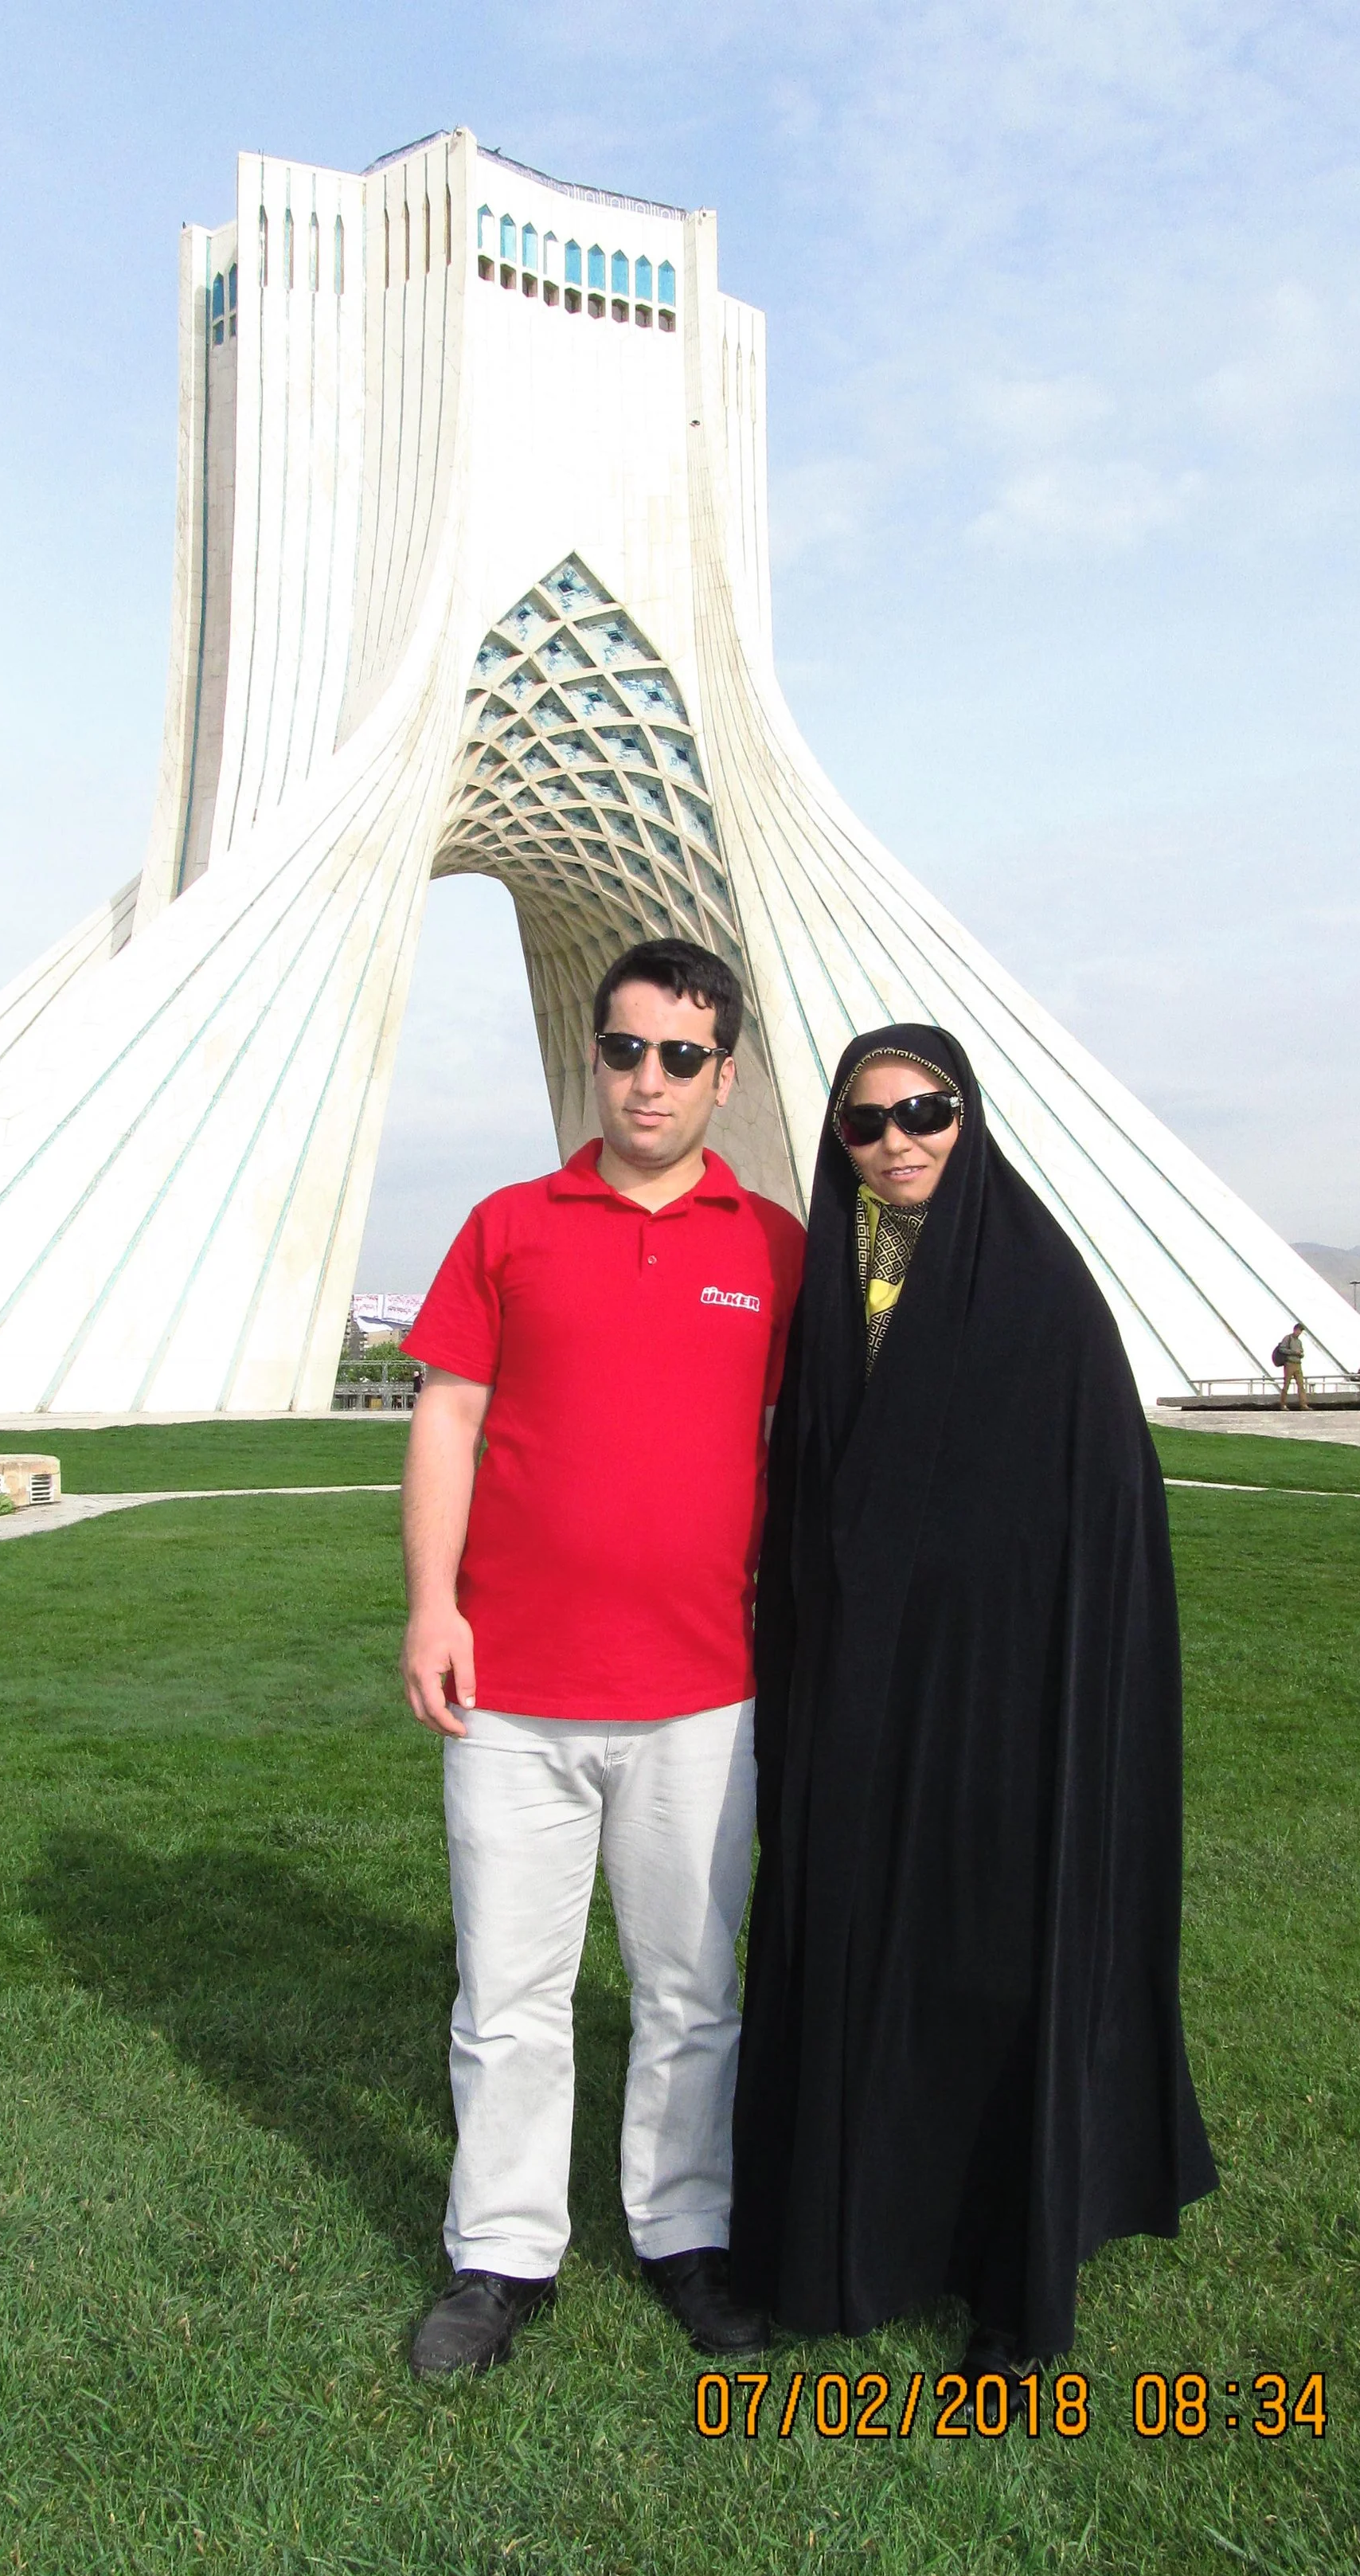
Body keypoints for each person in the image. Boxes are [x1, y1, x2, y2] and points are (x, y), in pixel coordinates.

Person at [731, 1026, 1216, 2378]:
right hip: (852, 1694)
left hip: (999, 1704)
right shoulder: (834, 1281)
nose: (900, 1140)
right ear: (839, 1141)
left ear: (969, 1114)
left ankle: (1008, 2277)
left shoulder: (1042, 1291)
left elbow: (1096, 1515)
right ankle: (843, 2233)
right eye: (868, 1122)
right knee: (847, 1938)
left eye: (926, 1110)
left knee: (989, 1965)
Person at [399, 938, 806, 2380]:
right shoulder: (511, 1223)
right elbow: (448, 1415)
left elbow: (813, 1449)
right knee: (508, 1992)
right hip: (513, 1687)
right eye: (626, 1049)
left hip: (702, 1690)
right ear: (594, 1056)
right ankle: (502, 2252)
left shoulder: (772, 1245)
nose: (650, 1078)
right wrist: (432, 1604)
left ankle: (684, 2230)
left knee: (692, 1989)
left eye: (680, 1056)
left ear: (725, 1074)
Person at [1275, 1322, 1308, 1409]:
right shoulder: (1288, 1338)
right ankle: (1283, 1404)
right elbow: (1282, 1349)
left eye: (1301, 1331)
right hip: (1289, 1364)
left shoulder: (1299, 1342)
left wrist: (1301, 1354)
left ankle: (1303, 1404)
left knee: (1301, 1385)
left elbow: (1301, 1352)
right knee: (1287, 1385)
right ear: (1295, 1330)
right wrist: (1294, 1352)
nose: (1299, 1333)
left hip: (1298, 1364)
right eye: (1299, 1331)